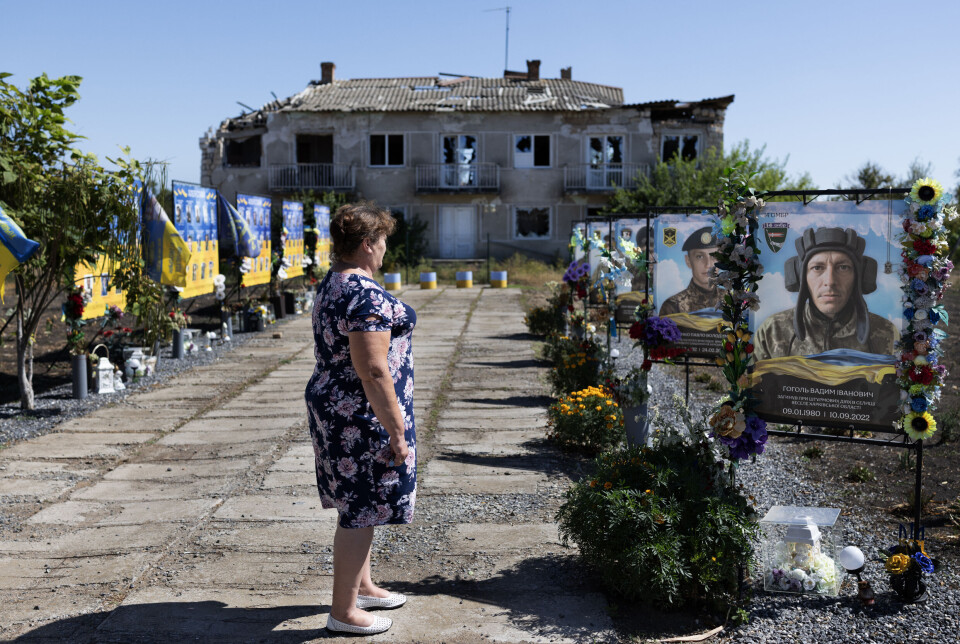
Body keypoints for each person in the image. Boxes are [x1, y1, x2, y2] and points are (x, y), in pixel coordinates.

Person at [304, 202, 416, 636]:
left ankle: (363, 586)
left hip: (336, 407)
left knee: (358, 506)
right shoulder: (364, 294)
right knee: (362, 509)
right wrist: (396, 427)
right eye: (383, 240)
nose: (386, 248)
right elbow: (373, 368)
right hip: (360, 416)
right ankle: (344, 611)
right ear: (368, 244)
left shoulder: (335, 282)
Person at [754, 227, 897, 360]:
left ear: (860, 276)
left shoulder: (887, 334)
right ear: (800, 276)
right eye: (817, 267)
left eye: (843, 267)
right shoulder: (772, 332)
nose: (830, 281)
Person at [658, 226, 719, 316]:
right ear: (688, 261)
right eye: (699, 256)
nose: (708, 264)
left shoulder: (731, 301)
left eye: (714, 256)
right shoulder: (673, 307)